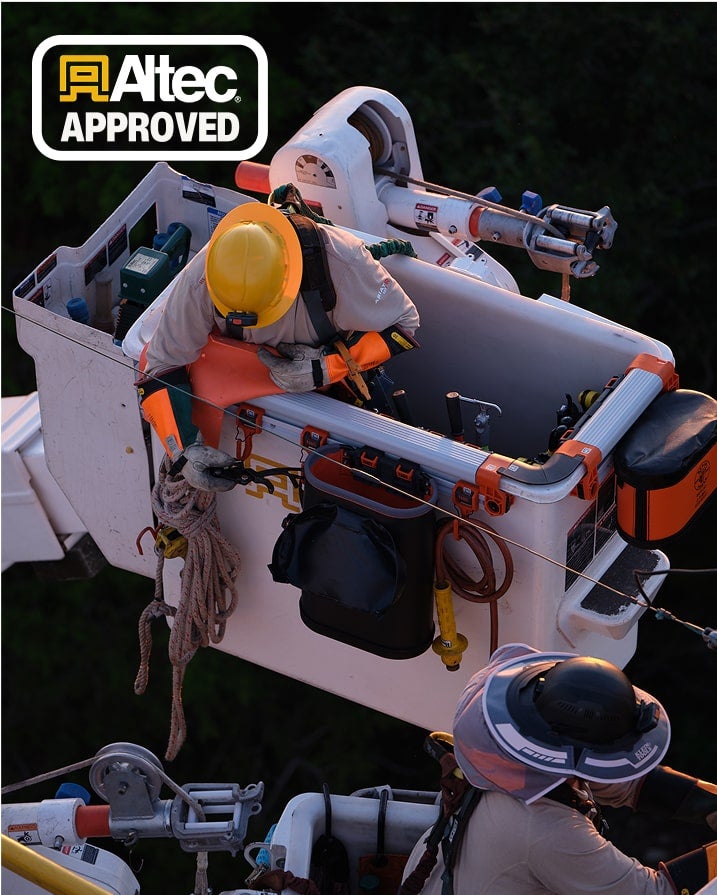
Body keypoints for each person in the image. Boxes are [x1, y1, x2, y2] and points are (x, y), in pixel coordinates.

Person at [136, 186, 420, 490]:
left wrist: (328, 366)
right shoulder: (203, 277)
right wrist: (182, 452)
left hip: (331, 390)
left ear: (290, 275)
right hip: (233, 387)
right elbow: (161, 365)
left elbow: (404, 324)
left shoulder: (342, 262)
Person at [398, 642, 717, 895]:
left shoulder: (506, 763)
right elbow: (654, 893)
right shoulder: (546, 830)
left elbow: (626, 785)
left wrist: (710, 804)